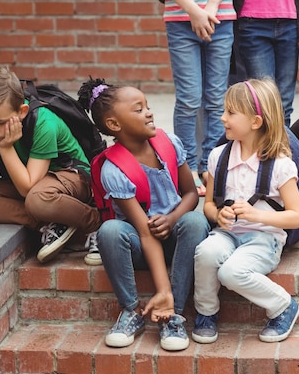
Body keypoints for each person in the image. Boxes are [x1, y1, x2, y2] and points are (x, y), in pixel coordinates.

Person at [77, 78, 209, 351]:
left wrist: (172, 219)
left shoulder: (169, 143)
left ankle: (172, 313)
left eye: (147, 106)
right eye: (138, 109)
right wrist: (161, 287)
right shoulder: (113, 168)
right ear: (114, 125)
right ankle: (131, 311)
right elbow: (144, 231)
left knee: (195, 220)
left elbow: (192, 194)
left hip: (175, 239)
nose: (149, 112)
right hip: (139, 243)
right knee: (110, 231)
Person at [192, 79, 299, 344]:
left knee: (230, 272)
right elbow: (208, 204)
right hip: (227, 233)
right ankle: (206, 312)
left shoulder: (281, 165)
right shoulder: (218, 157)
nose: (222, 118)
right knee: (206, 253)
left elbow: (296, 216)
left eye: (230, 113)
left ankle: (283, 305)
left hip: (264, 239)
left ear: (255, 121)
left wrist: (256, 215)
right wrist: (216, 215)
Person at [0, 66, 101, 264]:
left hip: (71, 177)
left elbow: (27, 188)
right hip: (33, 183)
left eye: (0, 123)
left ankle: (95, 222)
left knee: (37, 200)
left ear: (22, 111)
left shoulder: (43, 122)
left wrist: (7, 147)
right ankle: (48, 223)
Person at [150, 0, 242, 197]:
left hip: (219, 18)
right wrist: (194, 11)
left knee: (216, 97)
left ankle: (210, 164)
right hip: (181, 22)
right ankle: (187, 165)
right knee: (189, 98)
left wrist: (210, 7)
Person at [233, 0, 299, 125]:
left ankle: (281, 149)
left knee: (285, 100)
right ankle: (264, 149)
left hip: (289, 23)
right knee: (263, 100)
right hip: (252, 23)